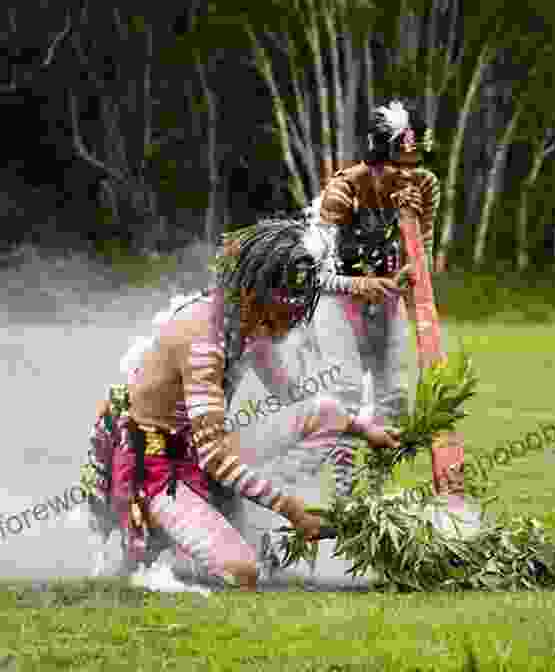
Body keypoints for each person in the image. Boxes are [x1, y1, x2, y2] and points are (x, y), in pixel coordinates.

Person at [85, 216, 401, 591]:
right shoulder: (203, 337)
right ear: (254, 295)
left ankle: (235, 514)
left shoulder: (252, 326)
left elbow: (295, 399)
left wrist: (367, 430)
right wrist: (290, 509)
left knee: (328, 412)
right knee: (244, 570)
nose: (292, 323)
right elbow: (214, 457)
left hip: (200, 451)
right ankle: (162, 540)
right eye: (286, 311)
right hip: (156, 467)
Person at [314, 98, 442, 498]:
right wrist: (360, 286)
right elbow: (311, 274)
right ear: (374, 159)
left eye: (413, 165)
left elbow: (421, 262)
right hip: (339, 301)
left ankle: (375, 491)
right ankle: (343, 491)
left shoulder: (424, 186)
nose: (407, 176)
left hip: (387, 302)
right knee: (347, 392)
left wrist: (408, 270)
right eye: (396, 166)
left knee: (396, 396)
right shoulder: (343, 189)